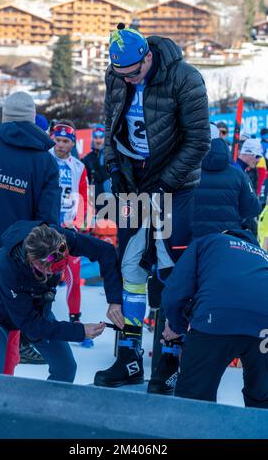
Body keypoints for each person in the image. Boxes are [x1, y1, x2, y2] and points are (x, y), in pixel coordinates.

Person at [94, 23, 210, 389]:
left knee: (170, 272)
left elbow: (199, 142)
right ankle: (128, 356)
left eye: (133, 73)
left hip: (174, 186)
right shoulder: (117, 78)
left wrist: (165, 183)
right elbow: (111, 127)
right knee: (130, 266)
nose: (127, 81)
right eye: (120, 75)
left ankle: (170, 359)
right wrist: (113, 167)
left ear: (148, 56)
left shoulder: (185, 78)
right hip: (133, 183)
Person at [0, 91, 60, 373]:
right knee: (4, 349)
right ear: (33, 121)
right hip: (11, 276)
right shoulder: (45, 162)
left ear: (4, 118)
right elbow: (48, 226)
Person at [0, 220, 124, 382]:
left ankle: (49, 407)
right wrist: (80, 331)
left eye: (61, 267)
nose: (56, 274)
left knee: (65, 368)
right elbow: (31, 325)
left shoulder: (61, 241)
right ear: (33, 262)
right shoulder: (9, 269)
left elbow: (105, 251)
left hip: (37, 308)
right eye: (53, 270)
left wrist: (115, 300)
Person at [161, 229, 268, 408]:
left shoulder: (207, 241)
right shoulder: (263, 255)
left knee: (194, 396)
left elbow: (175, 290)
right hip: (264, 325)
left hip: (216, 318)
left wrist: (177, 326)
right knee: (263, 396)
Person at [50, 121, 91, 346]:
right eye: (58, 140)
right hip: (46, 228)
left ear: (73, 143)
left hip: (68, 229)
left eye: (66, 141)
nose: (61, 145)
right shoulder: (44, 158)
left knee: (73, 275)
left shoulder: (78, 166)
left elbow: (83, 195)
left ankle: (75, 321)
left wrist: (79, 221)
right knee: (42, 274)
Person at [192, 127, 261, 238]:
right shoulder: (238, 174)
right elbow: (253, 209)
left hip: (195, 241)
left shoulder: (186, 173)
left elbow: (173, 210)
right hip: (229, 240)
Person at [83, 124, 112, 213]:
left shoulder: (111, 156)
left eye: (101, 137)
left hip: (111, 199)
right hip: (96, 200)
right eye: (96, 138)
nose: (98, 140)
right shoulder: (87, 158)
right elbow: (85, 181)